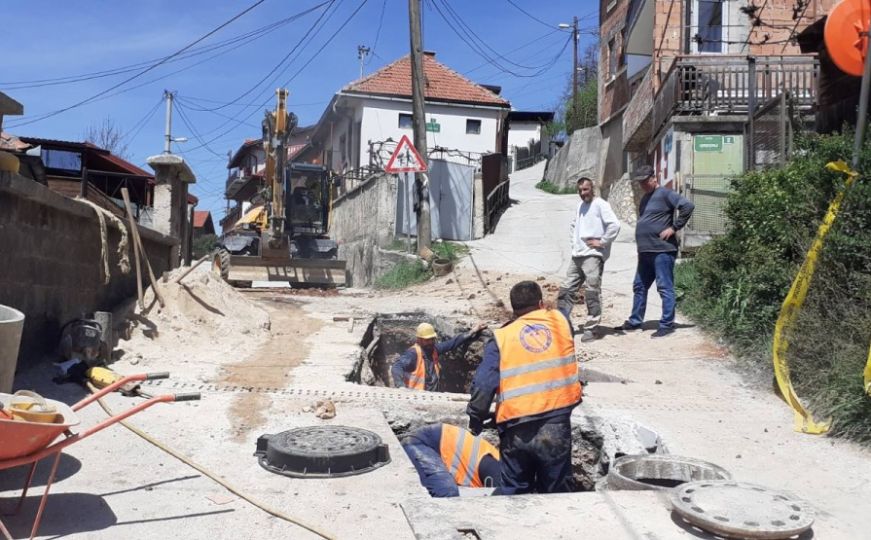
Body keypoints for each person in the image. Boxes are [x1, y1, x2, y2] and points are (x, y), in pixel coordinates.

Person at [466, 281, 582, 495]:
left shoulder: (501, 338)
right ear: (541, 303)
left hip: (516, 427)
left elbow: (484, 384)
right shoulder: (561, 322)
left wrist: (476, 417)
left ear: (512, 309)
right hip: (556, 422)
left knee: (514, 490)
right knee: (557, 491)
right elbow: (563, 307)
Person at [622, 165, 695, 338]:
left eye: (646, 181)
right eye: (641, 182)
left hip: (662, 250)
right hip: (646, 252)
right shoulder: (646, 198)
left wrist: (674, 228)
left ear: (654, 178)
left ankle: (667, 324)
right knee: (639, 286)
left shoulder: (665, 193)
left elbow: (687, 206)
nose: (643, 185)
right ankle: (635, 321)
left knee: (664, 287)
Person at [557, 177, 621, 342]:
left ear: (592, 188)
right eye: (579, 190)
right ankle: (563, 325)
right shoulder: (580, 206)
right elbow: (574, 225)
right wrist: (575, 244)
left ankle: (592, 329)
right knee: (566, 290)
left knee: (592, 292)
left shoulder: (601, 204)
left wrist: (602, 242)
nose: (582, 193)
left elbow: (615, 225)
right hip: (578, 255)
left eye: (585, 189)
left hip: (593, 255)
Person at [401, 423, 502, 497]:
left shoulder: (500, 468)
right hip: (422, 443)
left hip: (438, 440)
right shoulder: (497, 474)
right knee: (447, 494)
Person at [392, 322, 486, 391]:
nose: (430, 342)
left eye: (432, 339)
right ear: (419, 340)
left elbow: (452, 343)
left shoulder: (434, 350)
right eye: (427, 340)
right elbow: (397, 366)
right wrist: (400, 386)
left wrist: (472, 331)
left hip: (431, 395)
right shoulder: (413, 353)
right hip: (416, 397)